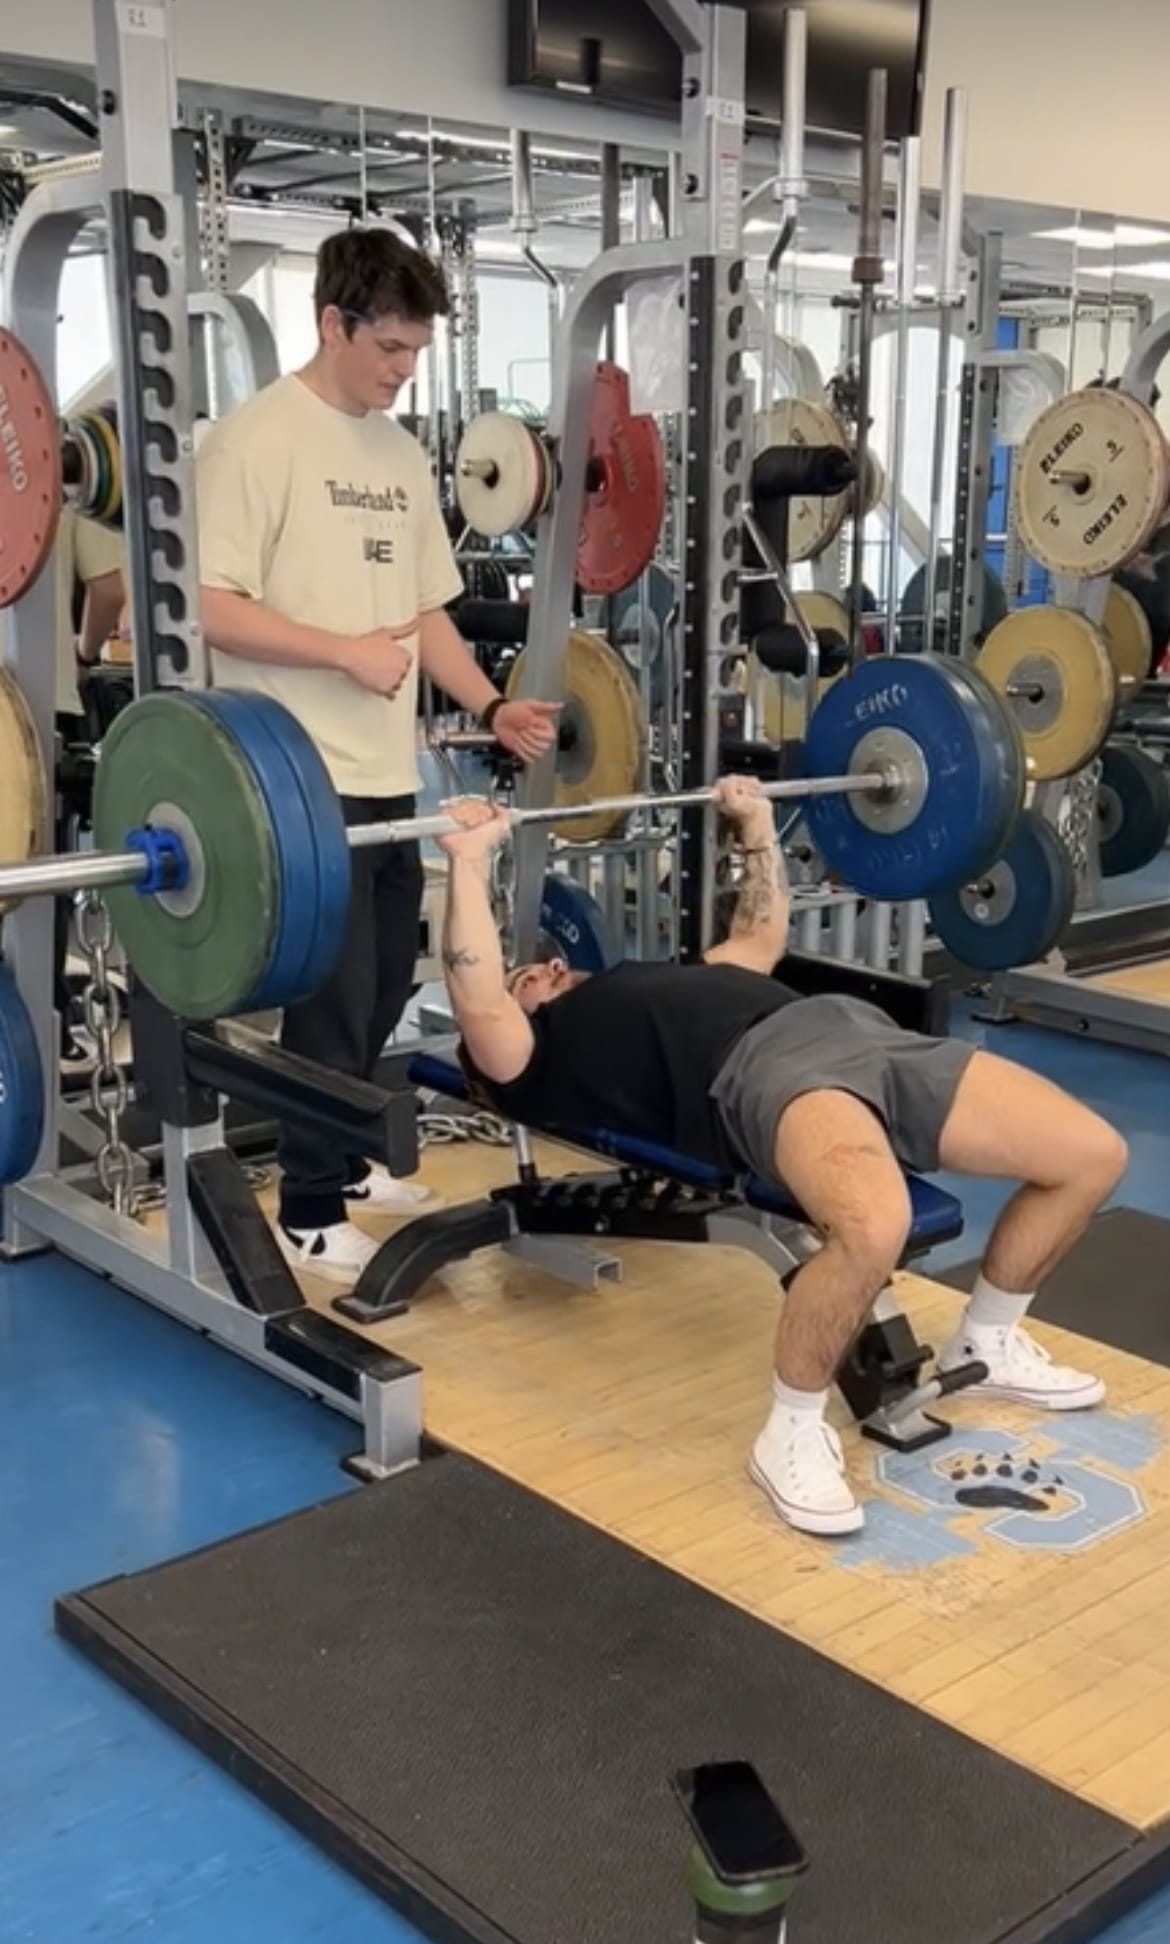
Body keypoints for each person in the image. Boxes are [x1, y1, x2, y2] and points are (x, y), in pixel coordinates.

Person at [433, 782, 1128, 1539]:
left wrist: (758, 826)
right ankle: (790, 1433)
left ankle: (988, 1337)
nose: (537, 966)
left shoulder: (656, 976)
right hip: (767, 1070)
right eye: (520, 974)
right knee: (873, 1224)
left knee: (1092, 1153)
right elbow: (474, 991)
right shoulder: (533, 1058)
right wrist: (468, 862)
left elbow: (760, 941)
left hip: (855, 1030)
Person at [196, 226, 557, 1280]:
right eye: (390, 349)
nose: (405, 371)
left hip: (387, 770)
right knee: (334, 991)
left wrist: (490, 705)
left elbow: (422, 611)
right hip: (294, 775)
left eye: (414, 351)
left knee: (390, 976)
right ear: (332, 324)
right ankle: (307, 1205)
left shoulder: (398, 453)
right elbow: (215, 608)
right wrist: (339, 654)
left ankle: (348, 1159)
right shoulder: (252, 442)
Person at [56, 506, 126, 1066]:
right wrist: (80, 655)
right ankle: (42, 1022)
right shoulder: (51, 475)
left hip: (35, 701)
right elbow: (109, 589)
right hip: (39, 696)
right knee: (41, 882)